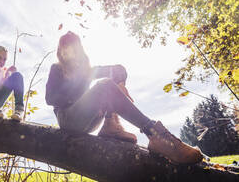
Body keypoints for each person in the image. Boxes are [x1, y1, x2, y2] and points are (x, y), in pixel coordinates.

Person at [45, 31, 203, 164]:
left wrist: (120, 83)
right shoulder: (57, 69)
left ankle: (111, 126)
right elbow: (50, 98)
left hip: (89, 122)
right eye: (63, 47)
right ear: (60, 50)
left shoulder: (87, 70)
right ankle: (155, 134)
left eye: (71, 46)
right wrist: (79, 92)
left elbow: (119, 69)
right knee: (104, 87)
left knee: (110, 82)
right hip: (68, 119)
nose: (67, 50)